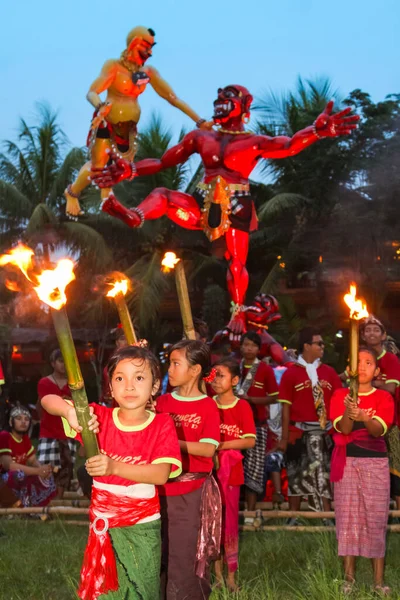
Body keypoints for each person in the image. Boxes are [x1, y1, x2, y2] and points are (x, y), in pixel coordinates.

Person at [93, 90, 358, 332]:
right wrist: (132, 169)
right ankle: (134, 215)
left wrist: (316, 131)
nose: (220, 100)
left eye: (228, 97)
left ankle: (238, 313)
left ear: (244, 108)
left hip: (236, 205)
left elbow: (288, 145)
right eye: (219, 97)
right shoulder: (200, 137)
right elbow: (164, 161)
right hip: (201, 204)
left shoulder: (254, 142)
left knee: (236, 262)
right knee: (163, 195)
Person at [41, 345, 182, 600]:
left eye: (139, 378)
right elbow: (47, 400)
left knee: (144, 588)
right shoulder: (98, 417)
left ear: (154, 387)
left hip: (142, 525)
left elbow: (161, 474)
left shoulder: (162, 423)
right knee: (106, 590)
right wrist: (70, 412)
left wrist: (114, 467)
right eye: (120, 378)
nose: (129, 386)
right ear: (111, 387)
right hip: (103, 526)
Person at [64, 26, 210, 218]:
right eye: (146, 46)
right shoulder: (114, 66)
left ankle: (106, 192)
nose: (149, 52)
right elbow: (92, 92)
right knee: (97, 167)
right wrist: (100, 106)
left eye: (152, 47)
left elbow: (172, 97)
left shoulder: (147, 72)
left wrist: (199, 120)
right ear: (133, 43)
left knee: (119, 168)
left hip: (129, 128)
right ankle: (72, 193)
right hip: (106, 121)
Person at [156, 339, 221, 600]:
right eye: (169, 363)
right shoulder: (161, 403)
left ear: (195, 370)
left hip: (191, 492)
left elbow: (207, 450)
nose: (169, 369)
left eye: (175, 363)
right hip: (159, 489)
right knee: (159, 551)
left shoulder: (208, 406)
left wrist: (170, 441)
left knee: (184, 554)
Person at [330, 348, 394, 596]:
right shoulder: (340, 395)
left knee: (375, 519)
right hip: (347, 462)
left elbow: (378, 431)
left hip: (375, 463)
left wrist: (366, 416)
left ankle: (378, 582)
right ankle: (349, 580)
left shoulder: (384, 398)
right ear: (350, 369)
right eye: (358, 362)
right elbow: (344, 429)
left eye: (369, 363)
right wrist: (349, 410)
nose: (364, 367)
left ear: (377, 371)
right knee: (348, 519)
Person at [278, 327, 342, 520]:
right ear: (306, 346)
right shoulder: (291, 374)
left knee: (323, 473)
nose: (322, 346)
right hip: (298, 431)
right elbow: (285, 408)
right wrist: (284, 436)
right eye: (318, 343)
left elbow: (339, 402)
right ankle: (294, 516)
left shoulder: (329, 373)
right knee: (296, 473)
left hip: (325, 432)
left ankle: (325, 516)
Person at [211, 358, 256, 592]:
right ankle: (216, 576)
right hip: (210, 473)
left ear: (235, 380)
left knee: (229, 525)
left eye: (221, 375)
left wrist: (223, 445)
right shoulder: (208, 405)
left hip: (232, 474)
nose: (216, 380)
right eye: (214, 375)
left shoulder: (242, 406)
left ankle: (230, 576)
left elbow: (249, 439)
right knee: (213, 523)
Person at [236, 332, 278, 524]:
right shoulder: (233, 367)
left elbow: (274, 397)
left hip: (256, 425)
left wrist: (251, 400)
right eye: (246, 344)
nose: (249, 349)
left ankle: (250, 515)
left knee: (254, 470)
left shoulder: (264, 369)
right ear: (241, 346)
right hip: (233, 426)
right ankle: (234, 511)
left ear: (258, 349)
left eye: (253, 345)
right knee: (234, 468)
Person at [361, 314, 400, 511]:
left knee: (395, 467)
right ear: (362, 335)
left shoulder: (391, 359)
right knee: (371, 467)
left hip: (390, 422)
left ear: (383, 336)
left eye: (376, 330)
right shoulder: (360, 358)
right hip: (364, 421)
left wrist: (368, 383)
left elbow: (391, 389)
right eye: (368, 330)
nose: (372, 333)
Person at [36, 349, 78, 498]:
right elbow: (43, 404)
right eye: (61, 361)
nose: (64, 365)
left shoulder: (75, 384)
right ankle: (45, 498)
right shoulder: (45, 382)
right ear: (53, 363)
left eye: (66, 362)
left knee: (66, 468)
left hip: (68, 430)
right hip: (49, 431)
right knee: (47, 467)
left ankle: (59, 500)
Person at [0, 405, 56, 509]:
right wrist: (37, 471)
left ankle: (35, 505)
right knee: (18, 474)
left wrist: (43, 470)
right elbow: (8, 466)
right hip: (3, 481)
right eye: (19, 418)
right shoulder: (4, 436)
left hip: (17, 479)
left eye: (26, 419)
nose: (23, 422)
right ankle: (16, 505)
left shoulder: (25, 438)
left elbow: (33, 460)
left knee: (47, 477)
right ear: (10, 422)